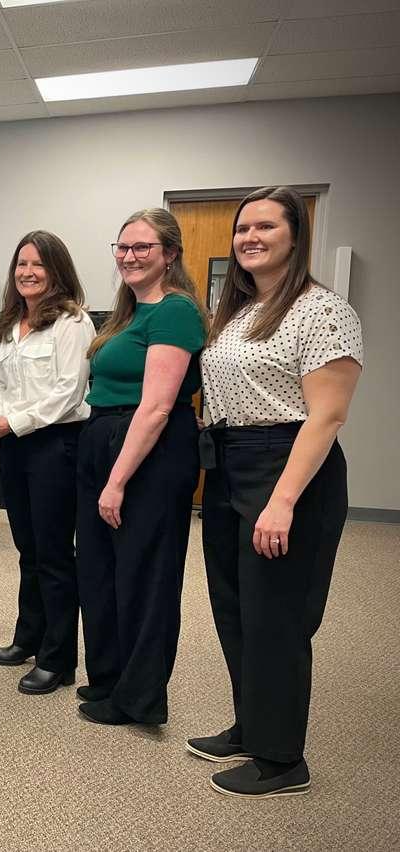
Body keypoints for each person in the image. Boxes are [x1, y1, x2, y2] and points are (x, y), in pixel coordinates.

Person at [188, 187, 362, 799]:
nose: (250, 237)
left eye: (265, 226)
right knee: (235, 610)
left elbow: (327, 416)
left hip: (290, 470)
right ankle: (252, 726)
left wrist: (283, 501)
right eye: (242, 229)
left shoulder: (322, 310)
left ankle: (284, 759)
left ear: (295, 236)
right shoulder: (237, 310)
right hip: (232, 465)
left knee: (277, 618)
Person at [75, 208, 206, 725]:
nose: (129, 257)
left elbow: (155, 407)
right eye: (122, 247)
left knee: (144, 576)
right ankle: (108, 677)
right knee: (100, 571)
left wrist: (116, 481)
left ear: (169, 254)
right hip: (103, 436)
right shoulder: (127, 312)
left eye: (142, 248)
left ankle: (140, 698)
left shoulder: (174, 311)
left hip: (147, 451)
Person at [0, 230, 95, 692]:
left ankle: (59, 659)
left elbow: (68, 394)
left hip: (55, 445)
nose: (27, 272)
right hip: (18, 443)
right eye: (21, 264)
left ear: (56, 270)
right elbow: (2, 384)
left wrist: (12, 421)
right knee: (29, 549)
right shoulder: (10, 324)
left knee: (55, 554)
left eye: (38, 265)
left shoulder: (73, 322)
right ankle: (30, 637)